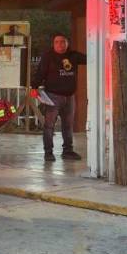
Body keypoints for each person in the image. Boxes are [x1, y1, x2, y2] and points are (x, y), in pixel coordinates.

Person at [30, 33, 86, 162]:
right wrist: (34, 87)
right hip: (52, 96)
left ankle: (68, 151)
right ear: (53, 44)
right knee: (49, 125)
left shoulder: (74, 56)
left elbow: (91, 58)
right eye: (57, 42)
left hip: (69, 97)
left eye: (63, 41)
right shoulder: (48, 57)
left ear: (67, 43)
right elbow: (40, 73)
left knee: (68, 125)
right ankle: (48, 152)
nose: (60, 44)